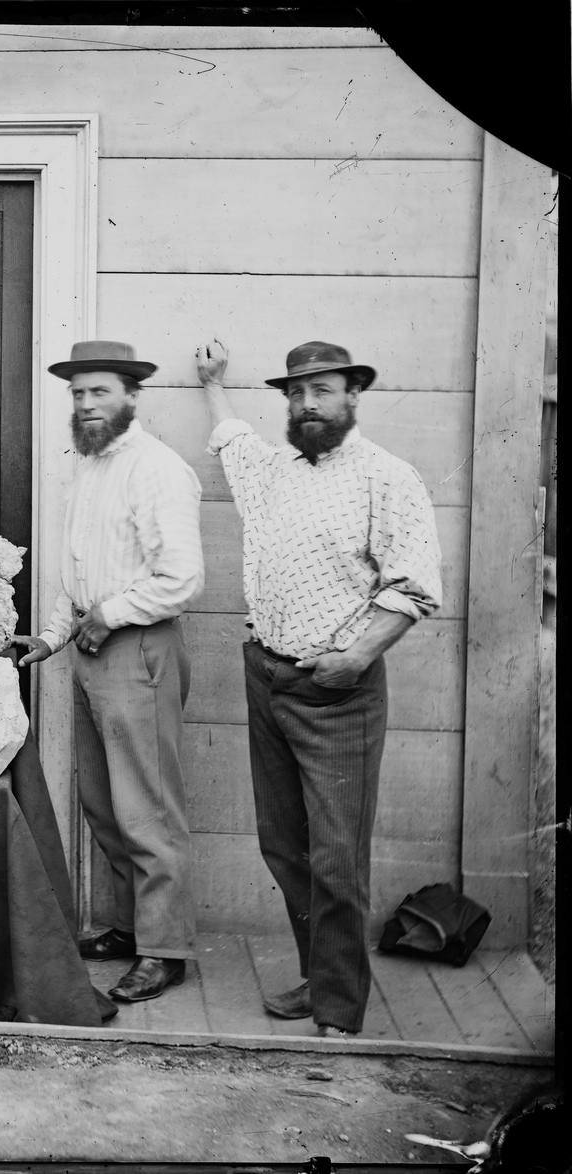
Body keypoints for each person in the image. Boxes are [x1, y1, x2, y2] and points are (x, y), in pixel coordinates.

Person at [197, 338, 443, 1037]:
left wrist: (356, 657)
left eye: (323, 390)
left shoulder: (386, 477)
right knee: (284, 846)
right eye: (297, 392)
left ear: (352, 395)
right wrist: (214, 383)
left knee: (336, 858)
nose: (308, 403)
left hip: (337, 692)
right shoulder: (270, 472)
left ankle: (338, 1017)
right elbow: (232, 439)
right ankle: (321, 976)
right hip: (266, 677)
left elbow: (414, 584)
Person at [12, 341, 205, 1004]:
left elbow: (182, 579)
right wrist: (52, 636)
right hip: (93, 654)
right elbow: (77, 573)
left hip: (140, 651)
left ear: (130, 395)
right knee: (104, 802)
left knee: (147, 806)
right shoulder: (90, 468)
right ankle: (128, 929)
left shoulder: (158, 470)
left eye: (100, 392)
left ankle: (164, 949)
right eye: (78, 394)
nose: (87, 405)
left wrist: (111, 615)